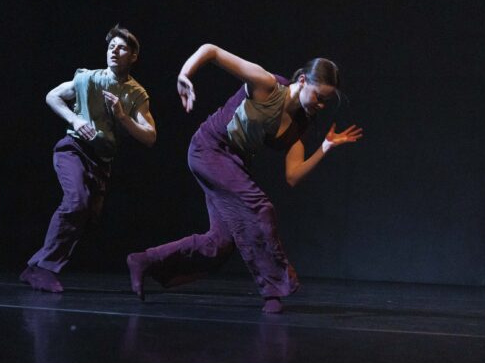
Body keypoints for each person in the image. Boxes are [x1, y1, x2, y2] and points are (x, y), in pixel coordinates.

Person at [126, 44, 362, 313]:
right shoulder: (266, 84)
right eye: (319, 97)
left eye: (325, 102)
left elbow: (293, 176)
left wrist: (325, 148)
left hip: (234, 163)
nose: (320, 106)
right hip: (209, 149)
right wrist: (185, 74)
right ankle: (274, 291)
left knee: (220, 244)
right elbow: (211, 51)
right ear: (303, 80)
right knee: (260, 208)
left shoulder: (299, 124)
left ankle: (143, 261)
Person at [20, 25, 157, 292]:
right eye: (111, 47)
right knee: (76, 202)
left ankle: (34, 266)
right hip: (73, 149)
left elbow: (150, 136)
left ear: (133, 57)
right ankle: (43, 269)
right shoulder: (87, 79)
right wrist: (75, 118)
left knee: (87, 215)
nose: (115, 52)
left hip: (101, 160)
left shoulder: (136, 94)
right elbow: (53, 95)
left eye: (122, 48)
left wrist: (123, 117)